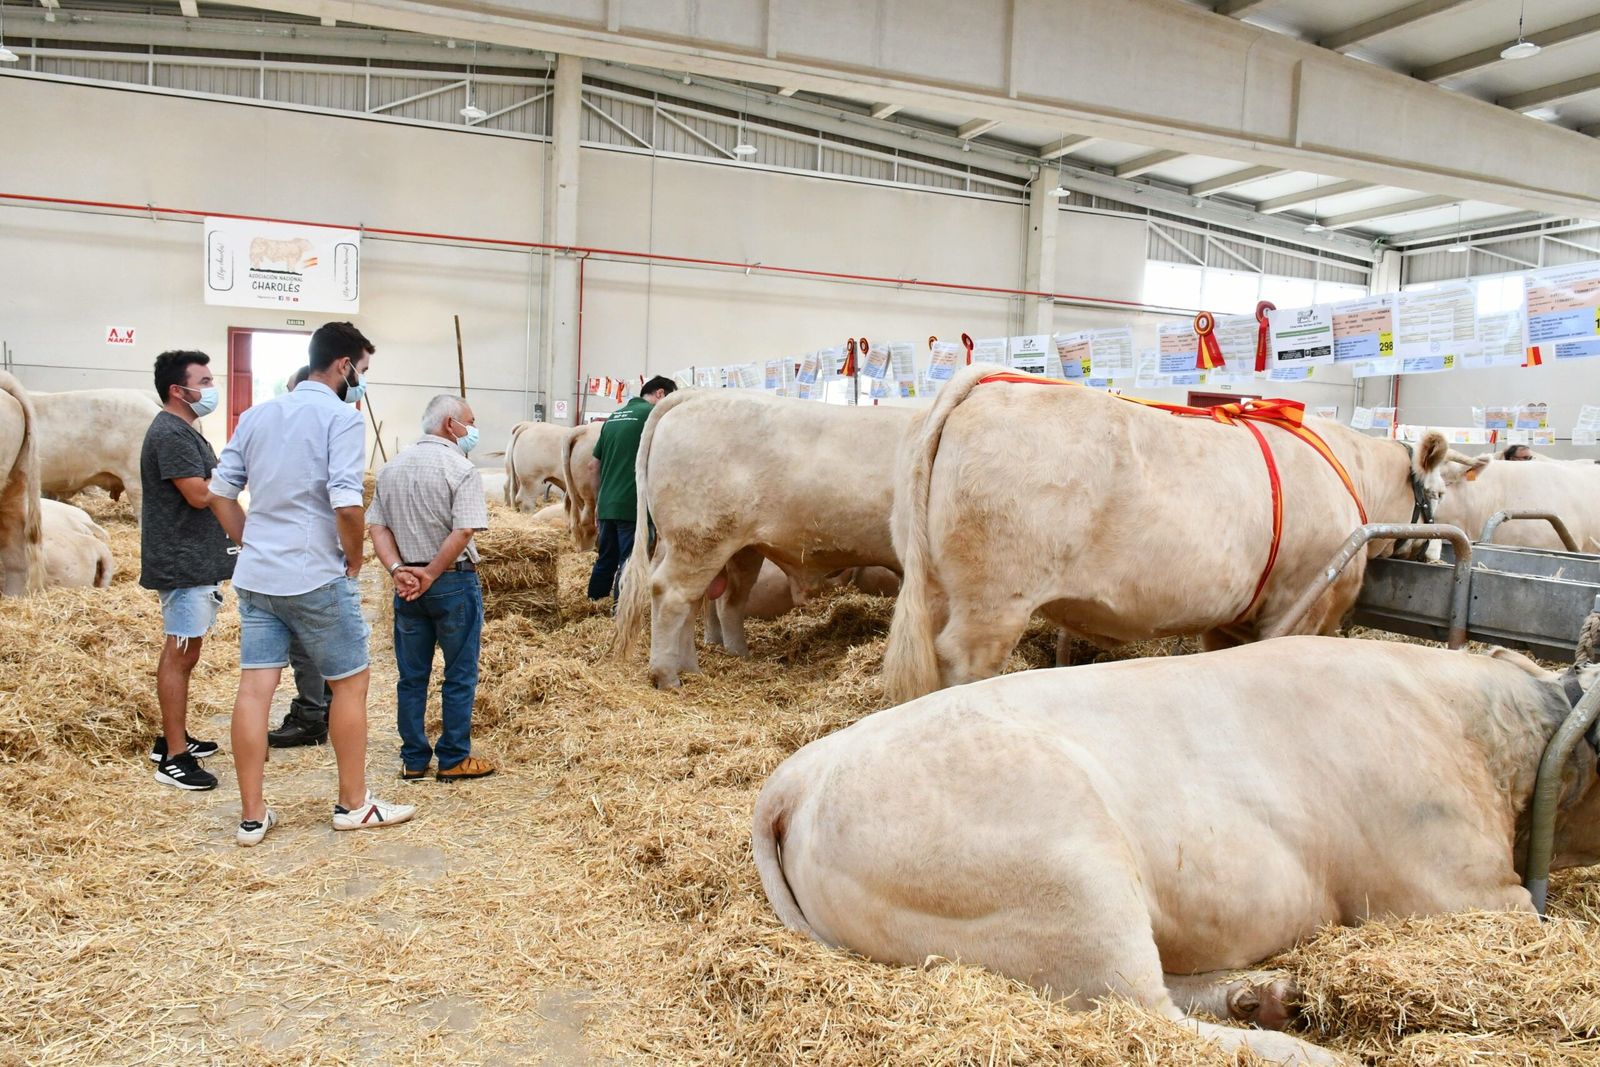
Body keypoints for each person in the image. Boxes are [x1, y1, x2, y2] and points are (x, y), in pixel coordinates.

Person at [209, 321, 416, 846]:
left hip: (257, 577)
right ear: (344, 365)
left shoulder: (257, 415)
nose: (362, 382)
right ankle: (353, 803)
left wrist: (251, 540)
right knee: (349, 682)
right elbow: (346, 501)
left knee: (255, 690)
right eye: (362, 371)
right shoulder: (339, 419)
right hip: (312, 574)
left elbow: (220, 494)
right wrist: (353, 557)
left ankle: (252, 817)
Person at [367, 395, 494, 782]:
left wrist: (398, 570)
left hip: (407, 587)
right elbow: (465, 528)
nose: (473, 430)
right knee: (458, 673)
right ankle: (454, 757)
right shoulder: (461, 468)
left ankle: (414, 758)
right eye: (469, 422)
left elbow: (377, 526)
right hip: (451, 581)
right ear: (450, 424)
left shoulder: (391, 467)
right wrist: (433, 572)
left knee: (412, 675)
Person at [140, 350, 236, 791]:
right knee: (179, 656)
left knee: (188, 653)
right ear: (179, 390)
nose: (211, 387)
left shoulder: (185, 431)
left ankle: (173, 738)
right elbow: (199, 495)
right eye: (205, 380)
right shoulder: (171, 433)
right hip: (182, 563)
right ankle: (173, 757)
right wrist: (237, 470)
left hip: (193, 559)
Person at [268, 363, 334, 749]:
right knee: (317, 637)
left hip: (300, 554)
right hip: (316, 550)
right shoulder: (329, 428)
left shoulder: (294, 435)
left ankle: (311, 715)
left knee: (303, 640)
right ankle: (321, 705)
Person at [587, 375, 677, 601]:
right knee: (630, 561)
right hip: (633, 504)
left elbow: (592, 465)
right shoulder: (653, 416)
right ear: (660, 394)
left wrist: (599, 501)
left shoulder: (613, 417)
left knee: (605, 558)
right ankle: (621, 609)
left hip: (607, 503)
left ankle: (593, 603)